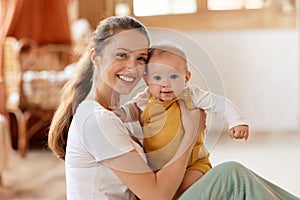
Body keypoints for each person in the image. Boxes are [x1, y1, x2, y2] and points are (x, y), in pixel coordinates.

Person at [48, 16, 299, 200]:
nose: (132, 67)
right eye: (121, 55)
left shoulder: (113, 113)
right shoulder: (96, 120)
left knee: (236, 177)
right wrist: (190, 131)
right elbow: (157, 196)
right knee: (232, 177)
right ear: (96, 56)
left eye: (141, 59)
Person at [111, 41, 249, 195]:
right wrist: (122, 113)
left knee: (185, 189)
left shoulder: (191, 95)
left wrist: (237, 121)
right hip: (159, 168)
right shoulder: (145, 99)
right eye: (157, 77)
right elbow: (133, 109)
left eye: (174, 76)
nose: (166, 84)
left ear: (187, 77)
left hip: (194, 165)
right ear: (146, 80)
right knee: (162, 190)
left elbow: (217, 103)